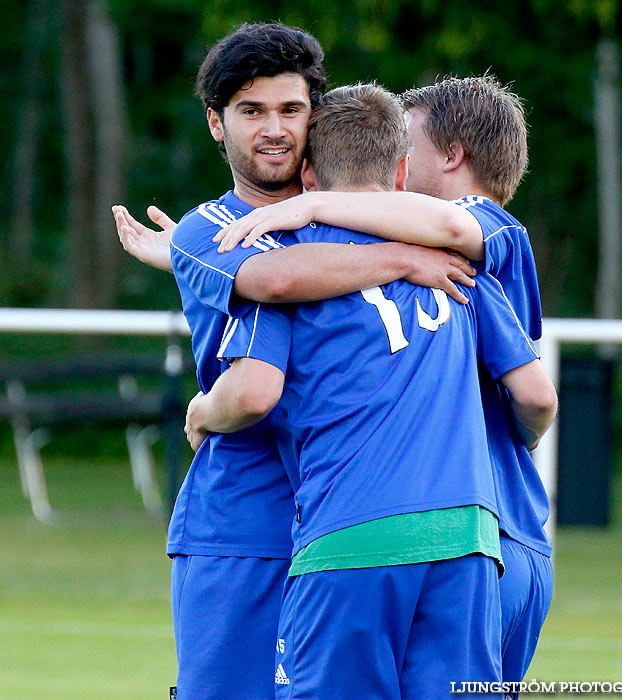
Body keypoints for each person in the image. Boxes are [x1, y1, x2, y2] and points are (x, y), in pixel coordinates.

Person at [113, 23, 477, 700]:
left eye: (291, 109)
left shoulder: (376, 217)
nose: (274, 129)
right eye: (251, 112)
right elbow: (273, 287)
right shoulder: (208, 229)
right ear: (216, 125)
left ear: (316, 116)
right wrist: (405, 260)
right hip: (246, 526)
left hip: (357, 520)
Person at [185, 83, 557, 699]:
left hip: (351, 533)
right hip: (477, 536)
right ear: (399, 168)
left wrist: (294, 214)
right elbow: (537, 395)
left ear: (307, 173)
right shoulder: (458, 267)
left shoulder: (463, 236)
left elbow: (258, 359)